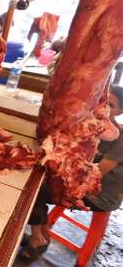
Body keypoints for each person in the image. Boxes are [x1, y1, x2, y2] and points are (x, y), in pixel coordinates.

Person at [20, 85, 123, 260]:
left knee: (31, 191)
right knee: (32, 180)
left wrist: (58, 171)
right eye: (101, 101)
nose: (103, 107)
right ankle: (42, 227)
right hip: (78, 179)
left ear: (120, 112)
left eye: (110, 105)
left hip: (100, 193)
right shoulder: (87, 124)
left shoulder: (119, 138)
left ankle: (38, 239)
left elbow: (94, 176)